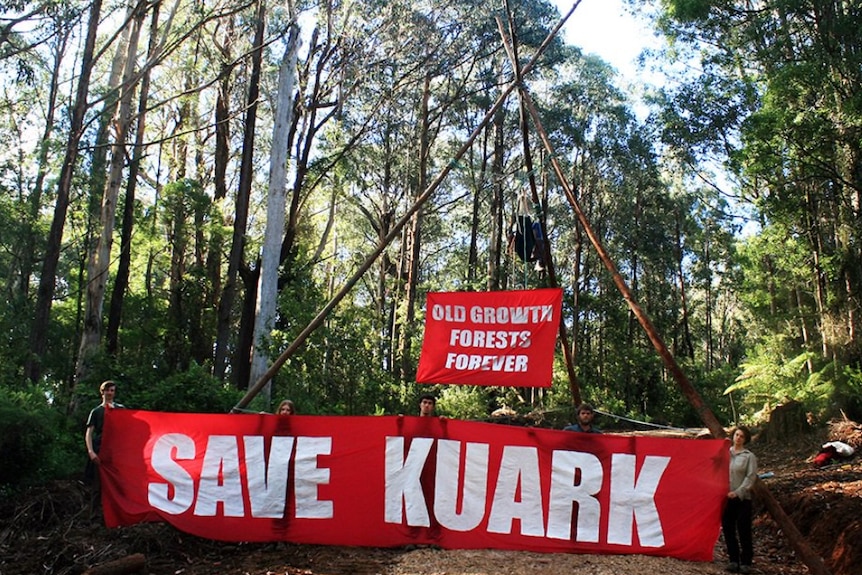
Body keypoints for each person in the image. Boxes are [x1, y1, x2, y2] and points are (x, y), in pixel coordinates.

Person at [84, 380, 124, 516]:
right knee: (97, 484)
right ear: (102, 392)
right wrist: (91, 451)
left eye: (112, 390)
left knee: (117, 483)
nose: (110, 393)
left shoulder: (120, 409)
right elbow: (89, 433)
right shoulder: (96, 411)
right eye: (107, 390)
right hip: (100, 449)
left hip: (116, 451)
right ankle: (94, 515)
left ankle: (116, 513)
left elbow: (128, 429)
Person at [722, 425, 758, 574]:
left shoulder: (749, 456)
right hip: (725, 498)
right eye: (737, 435)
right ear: (733, 436)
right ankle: (733, 560)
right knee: (728, 529)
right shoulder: (725, 453)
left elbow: (750, 477)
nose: (738, 438)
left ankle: (746, 562)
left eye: (742, 436)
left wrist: (738, 492)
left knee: (743, 529)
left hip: (742, 499)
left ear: (745, 439)